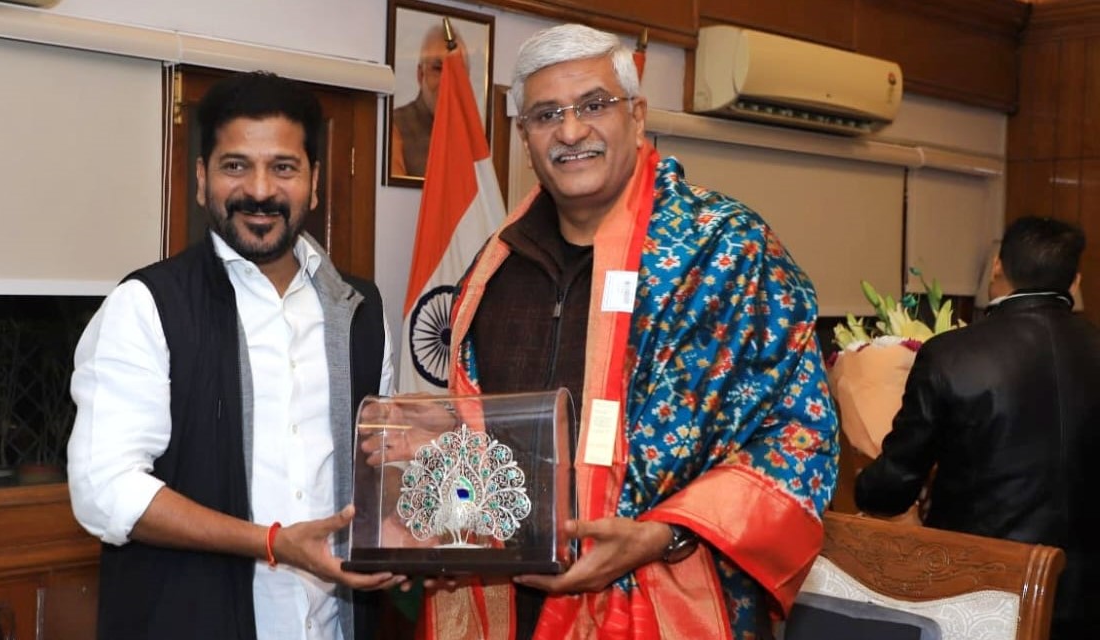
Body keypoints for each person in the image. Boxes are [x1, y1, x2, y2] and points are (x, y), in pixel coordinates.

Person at [427, 23, 840, 639]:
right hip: (510, 605)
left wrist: (661, 535)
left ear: (637, 115)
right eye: (546, 115)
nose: (571, 132)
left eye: (594, 105)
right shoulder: (494, 269)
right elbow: (474, 434)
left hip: (669, 597)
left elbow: (801, 435)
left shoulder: (724, 252)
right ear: (524, 136)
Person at [66, 71, 401, 640]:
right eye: (236, 165)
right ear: (201, 179)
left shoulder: (361, 311)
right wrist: (274, 545)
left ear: (315, 184)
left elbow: (384, 463)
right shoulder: (146, 307)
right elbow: (106, 492)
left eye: (284, 167)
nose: (261, 190)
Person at [856, 216, 1099, 639]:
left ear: (999, 268)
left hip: (985, 584)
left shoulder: (952, 355)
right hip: (1089, 592)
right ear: (1075, 280)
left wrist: (866, 484)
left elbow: (894, 486)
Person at [389, 25, 466, 178]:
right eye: (437, 69)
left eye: (457, 71)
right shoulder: (395, 127)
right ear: (420, 74)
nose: (447, 82)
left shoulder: (472, 137)